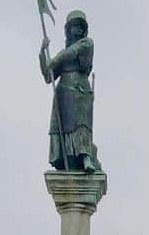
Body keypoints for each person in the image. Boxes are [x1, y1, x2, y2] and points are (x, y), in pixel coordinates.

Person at [39, 10, 102, 172]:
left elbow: (72, 52)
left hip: (80, 90)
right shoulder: (62, 54)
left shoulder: (87, 43)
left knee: (82, 124)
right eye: (75, 26)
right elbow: (49, 76)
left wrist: (53, 61)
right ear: (69, 29)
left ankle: (86, 158)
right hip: (63, 92)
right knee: (62, 126)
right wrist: (42, 53)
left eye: (81, 27)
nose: (79, 30)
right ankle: (63, 157)